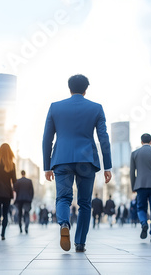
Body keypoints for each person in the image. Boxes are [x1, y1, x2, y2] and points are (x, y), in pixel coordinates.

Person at [42, 74, 112, 253]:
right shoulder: (96, 108)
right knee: (85, 203)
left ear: (69, 88)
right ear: (86, 89)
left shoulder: (55, 107)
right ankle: (80, 242)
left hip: (62, 160)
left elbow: (47, 139)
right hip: (86, 160)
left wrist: (47, 165)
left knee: (63, 198)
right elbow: (103, 138)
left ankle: (64, 223)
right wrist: (107, 166)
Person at [130, 133, 151, 242]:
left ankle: (144, 223)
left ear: (141, 142)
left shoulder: (134, 154)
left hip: (140, 185)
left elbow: (132, 172)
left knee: (141, 208)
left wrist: (133, 186)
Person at [13, 170, 34, 234]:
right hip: (27, 199)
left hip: (19, 199)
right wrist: (30, 199)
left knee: (19, 213)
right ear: (25, 173)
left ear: (21, 173)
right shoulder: (29, 181)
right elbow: (32, 192)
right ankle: (26, 227)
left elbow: (14, 190)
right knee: (26, 213)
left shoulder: (17, 181)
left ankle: (20, 228)